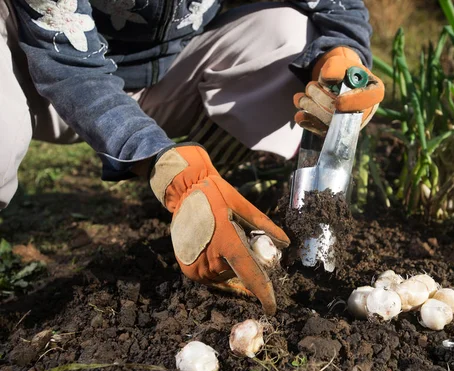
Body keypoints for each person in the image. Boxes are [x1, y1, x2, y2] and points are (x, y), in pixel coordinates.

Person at [0, 0, 384, 314]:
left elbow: (338, 6)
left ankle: (205, 188)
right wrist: (160, 162)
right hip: (40, 73)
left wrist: (344, 52)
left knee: (290, 34)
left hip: (167, 75)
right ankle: (173, 179)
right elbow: (71, 70)